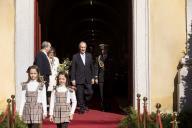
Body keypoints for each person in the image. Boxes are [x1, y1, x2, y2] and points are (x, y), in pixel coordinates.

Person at [71, 41, 94, 114]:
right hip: (79, 78)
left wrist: (93, 77)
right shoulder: (75, 56)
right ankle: (82, 108)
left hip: (88, 78)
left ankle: (85, 104)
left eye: (84, 47)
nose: (83, 49)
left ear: (86, 48)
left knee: (90, 92)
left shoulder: (89, 55)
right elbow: (73, 68)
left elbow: (92, 67)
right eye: (81, 47)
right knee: (80, 95)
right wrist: (73, 79)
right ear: (79, 48)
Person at [95, 43, 113, 111]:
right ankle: (103, 106)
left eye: (104, 49)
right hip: (101, 78)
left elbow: (113, 67)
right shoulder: (99, 58)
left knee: (109, 92)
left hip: (109, 78)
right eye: (102, 50)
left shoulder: (111, 57)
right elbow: (96, 67)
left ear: (107, 50)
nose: (103, 51)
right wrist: (96, 77)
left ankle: (109, 106)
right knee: (101, 93)